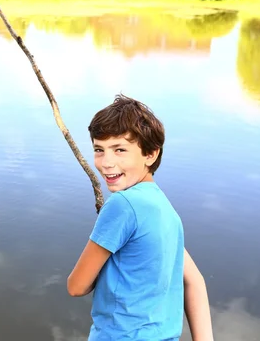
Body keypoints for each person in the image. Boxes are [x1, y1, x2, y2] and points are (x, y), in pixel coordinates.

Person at [66, 94, 213, 341]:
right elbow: (195, 281)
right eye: (99, 150)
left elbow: (76, 286)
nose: (106, 163)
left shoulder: (122, 205)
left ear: (151, 154)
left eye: (120, 150)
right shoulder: (165, 209)